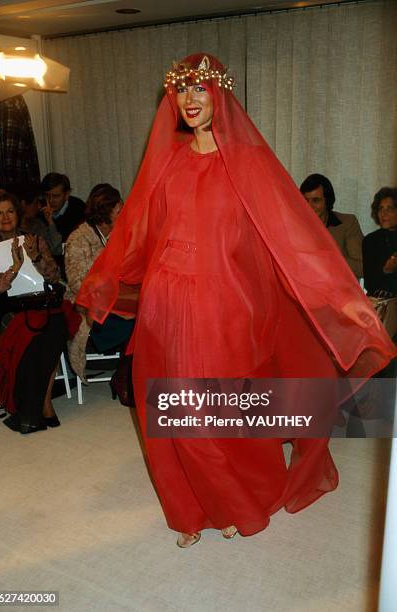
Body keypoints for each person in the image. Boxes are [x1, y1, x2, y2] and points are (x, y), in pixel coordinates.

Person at [76, 54, 396, 547]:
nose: (189, 100)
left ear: (219, 95)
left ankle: (233, 502)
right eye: (181, 91)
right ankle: (190, 509)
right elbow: (141, 231)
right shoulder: (171, 162)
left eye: (200, 90)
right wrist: (108, 278)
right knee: (172, 407)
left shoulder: (247, 162)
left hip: (225, 302)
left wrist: (336, 294)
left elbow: (292, 235)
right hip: (168, 299)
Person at [0, 189, 67, 433]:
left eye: (10, 211)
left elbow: (55, 276)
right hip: (4, 308)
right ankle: (36, 404)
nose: (5, 218)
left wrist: (35, 257)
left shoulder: (34, 239)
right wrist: (14, 267)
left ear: (18, 213)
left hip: (39, 301)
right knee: (32, 330)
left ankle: (43, 400)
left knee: (57, 324)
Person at [65, 184, 135, 404]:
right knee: (135, 324)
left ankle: (128, 374)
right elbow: (78, 283)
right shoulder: (79, 238)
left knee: (150, 316)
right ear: (105, 212)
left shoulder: (118, 235)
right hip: (89, 307)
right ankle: (124, 377)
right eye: (119, 210)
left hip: (117, 301)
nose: (124, 214)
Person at [300, 173, 364, 278]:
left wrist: (330, 258)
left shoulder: (347, 223)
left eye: (315, 200)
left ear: (327, 201)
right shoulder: (295, 226)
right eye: (305, 201)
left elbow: (362, 268)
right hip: (307, 290)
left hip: (342, 291)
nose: (309, 206)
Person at [10, 182, 63, 256]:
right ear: (23, 204)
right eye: (35, 203)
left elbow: (57, 250)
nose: (39, 207)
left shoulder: (38, 224)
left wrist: (50, 222)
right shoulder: (12, 229)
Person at [363, 187, 397, 296]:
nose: (383, 213)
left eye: (389, 209)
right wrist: (386, 270)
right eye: (380, 209)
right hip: (382, 304)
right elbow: (369, 284)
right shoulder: (370, 241)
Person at [40, 172, 85, 243]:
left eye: (56, 196)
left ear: (67, 194)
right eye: (47, 196)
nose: (51, 200)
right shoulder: (39, 209)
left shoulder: (78, 208)